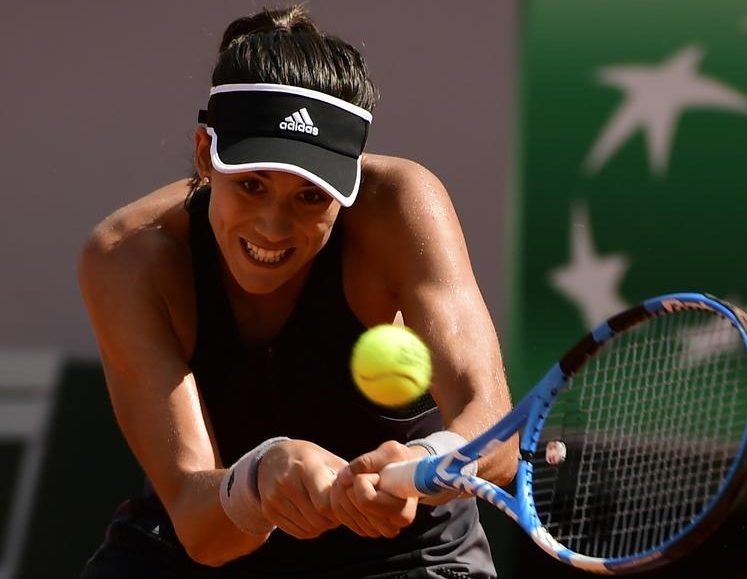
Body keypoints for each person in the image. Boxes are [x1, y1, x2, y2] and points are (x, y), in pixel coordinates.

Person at [78, 5, 516, 578]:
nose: (273, 227)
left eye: (310, 196)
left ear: (350, 183)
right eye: (251, 184)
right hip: (202, 544)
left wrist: (421, 466)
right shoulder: (128, 255)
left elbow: (496, 433)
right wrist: (261, 477)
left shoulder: (402, 205)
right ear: (205, 153)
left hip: (406, 555)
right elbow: (200, 529)